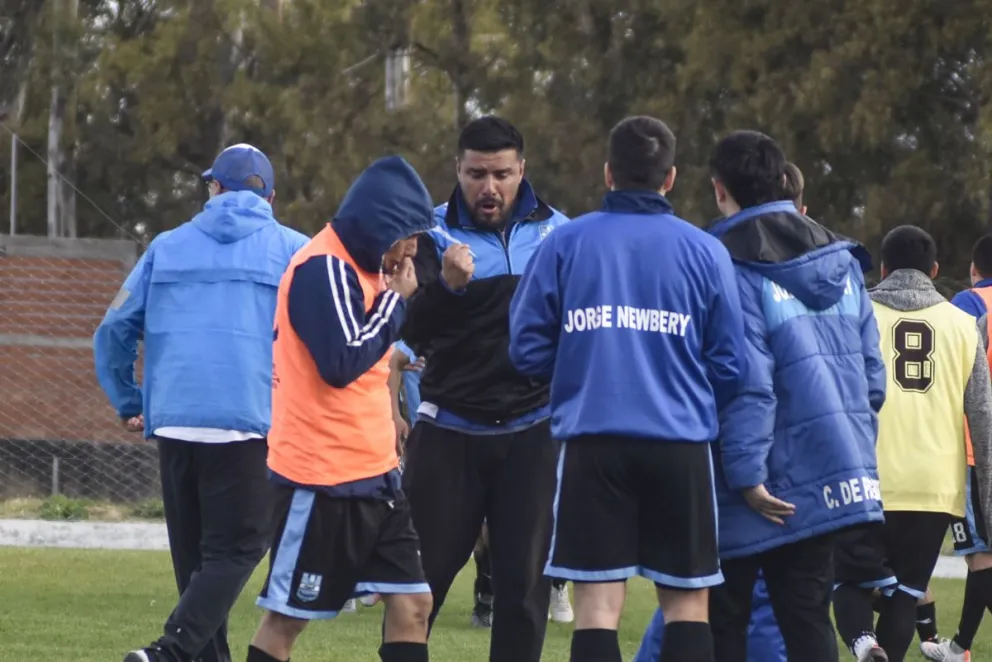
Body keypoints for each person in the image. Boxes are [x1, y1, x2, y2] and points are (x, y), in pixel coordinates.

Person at [509, 115, 747, 662]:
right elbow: (731, 363)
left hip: (594, 443)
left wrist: (583, 367)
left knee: (596, 609)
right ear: (670, 178)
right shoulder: (706, 251)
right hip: (680, 442)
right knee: (688, 605)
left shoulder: (565, 243)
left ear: (608, 173)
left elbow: (525, 348)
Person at [93, 143, 309, 662]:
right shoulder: (297, 251)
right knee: (238, 550)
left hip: (175, 422)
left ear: (214, 188)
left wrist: (129, 399)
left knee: (196, 568)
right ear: (271, 197)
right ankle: (167, 653)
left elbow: (113, 329)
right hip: (249, 423)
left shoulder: (165, 246)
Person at [705, 130, 886, 662]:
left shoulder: (730, 261)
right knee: (807, 615)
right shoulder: (844, 259)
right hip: (829, 465)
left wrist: (746, 474)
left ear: (719, 189)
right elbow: (872, 377)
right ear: (784, 181)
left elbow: (748, 381)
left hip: (754, 476)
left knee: (726, 620)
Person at [246, 155, 435, 662]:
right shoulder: (321, 267)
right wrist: (397, 304)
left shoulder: (375, 269)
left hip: (376, 478)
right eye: (408, 235)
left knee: (414, 603)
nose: (412, 249)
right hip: (321, 479)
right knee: (287, 618)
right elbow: (341, 360)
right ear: (379, 224)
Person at [399, 115, 568, 662]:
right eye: (476, 174)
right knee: (416, 591)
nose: (488, 187)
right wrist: (447, 287)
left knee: (522, 597)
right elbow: (405, 335)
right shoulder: (428, 235)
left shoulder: (560, 235)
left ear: (522, 171)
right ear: (458, 169)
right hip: (449, 430)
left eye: (500, 174)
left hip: (532, 432)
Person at [633, 159, 811, 662]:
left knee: (716, 602)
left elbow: (742, 379)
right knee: (790, 611)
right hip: (804, 465)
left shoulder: (719, 264)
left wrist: (745, 470)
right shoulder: (831, 273)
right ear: (800, 207)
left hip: (733, 464)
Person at [833, 225, 992, 662]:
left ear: (882, 269)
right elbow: (982, 417)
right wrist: (988, 499)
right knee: (906, 594)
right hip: (935, 487)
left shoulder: (856, 314)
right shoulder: (963, 326)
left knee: (846, 582)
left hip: (869, 477)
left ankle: (864, 643)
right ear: (936, 270)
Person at [921, 233, 992, 662]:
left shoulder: (970, 304)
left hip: (976, 448)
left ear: (973, 268)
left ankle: (958, 648)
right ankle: (959, 647)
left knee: (979, 554)